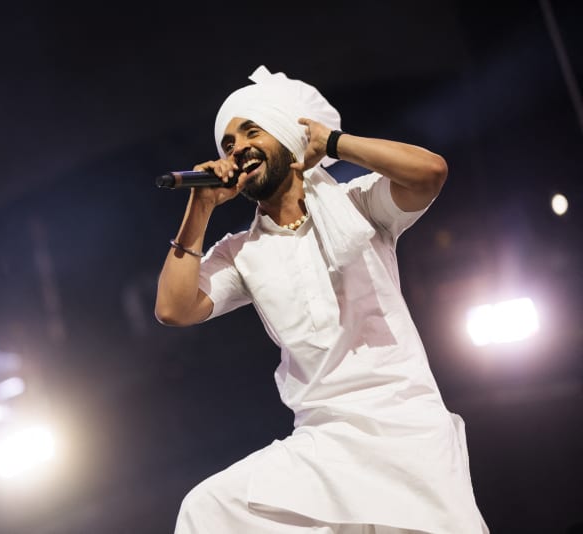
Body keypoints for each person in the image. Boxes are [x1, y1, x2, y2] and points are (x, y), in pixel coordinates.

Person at [154, 65, 489, 534]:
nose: (236, 149)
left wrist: (332, 143)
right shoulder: (240, 252)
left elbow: (430, 172)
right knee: (206, 510)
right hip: (323, 441)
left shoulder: (360, 205)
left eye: (252, 131)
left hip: (405, 427)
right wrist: (201, 207)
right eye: (227, 144)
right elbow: (173, 308)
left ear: (290, 140)